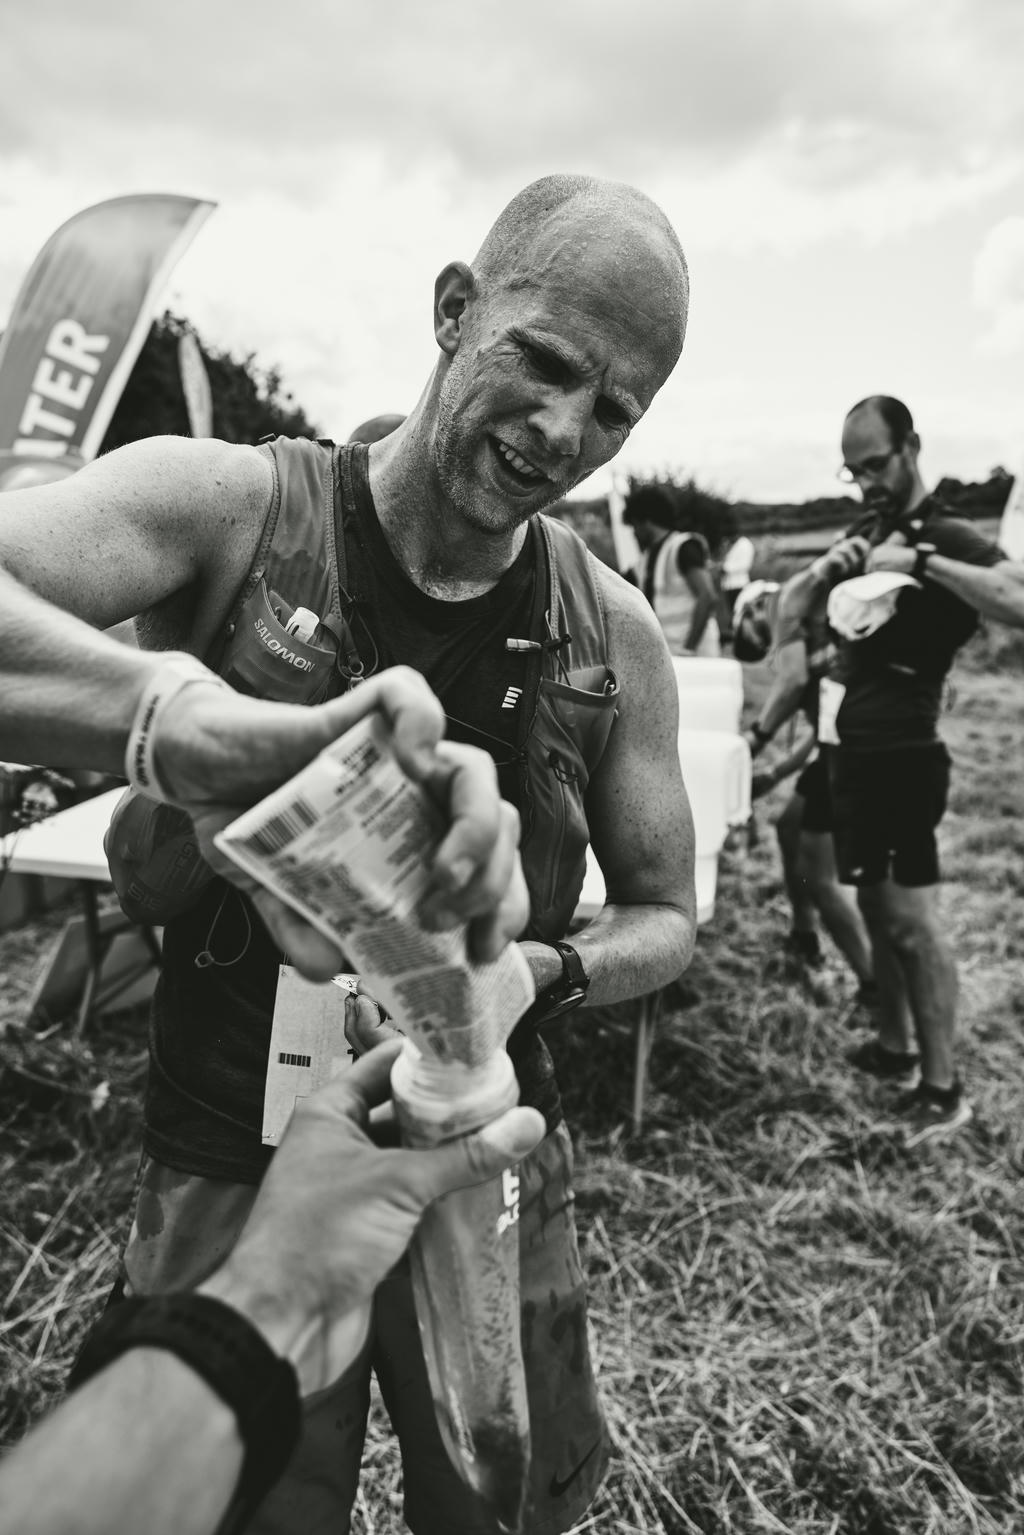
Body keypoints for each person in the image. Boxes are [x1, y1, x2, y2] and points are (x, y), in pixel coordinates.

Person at [0, 172, 697, 1534]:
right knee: (241, 1498)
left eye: (614, 408)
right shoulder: (234, 511)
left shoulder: (612, 634)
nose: (563, 430)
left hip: (476, 1137)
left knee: (503, 1496)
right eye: (542, 362)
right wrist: (177, 722)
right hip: (228, 1139)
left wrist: (534, 973)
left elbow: (668, 913)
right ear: (454, 309)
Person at [0, 1040, 545, 1535]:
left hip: (473, 1148)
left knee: (486, 1495)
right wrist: (262, 1307)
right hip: (220, 1135)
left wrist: (259, 1305)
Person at [784, 395, 1006, 1145]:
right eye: (854, 473)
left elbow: (1018, 598)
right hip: (849, 751)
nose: (867, 483)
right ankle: (895, 1047)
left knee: (912, 925)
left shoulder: (944, 532)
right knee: (876, 911)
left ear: (912, 446)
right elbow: (787, 613)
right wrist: (825, 570)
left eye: (875, 466)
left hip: (905, 756)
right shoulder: (865, 528)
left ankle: (945, 1090)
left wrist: (923, 562)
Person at [734, 579, 876, 1003]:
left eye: (756, 632)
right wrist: (777, 774)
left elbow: (795, 684)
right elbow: (818, 727)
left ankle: (874, 983)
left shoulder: (792, 619)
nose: (767, 643)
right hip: (839, 744)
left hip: (855, 748)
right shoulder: (811, 637)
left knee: (819, 872)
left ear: (759, 605)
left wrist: (757, 741)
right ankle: (804, 934)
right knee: (789, 828)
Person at [622, 482, 721, 656]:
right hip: (670, 652)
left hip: (695, 651)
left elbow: (708, 595)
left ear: (646, 521)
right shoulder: (646, 560)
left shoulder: (683, 547)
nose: (634, 533)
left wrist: (689, 648)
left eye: (635, 526)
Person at [718, 529, 755, 642]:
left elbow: (745, 565)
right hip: (729, 585)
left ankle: (743, 637)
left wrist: (726, 568)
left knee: (740, 613)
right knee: (732, 613)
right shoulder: (731, 544)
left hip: (739, 584)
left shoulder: (745, 544)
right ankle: (736, 636)